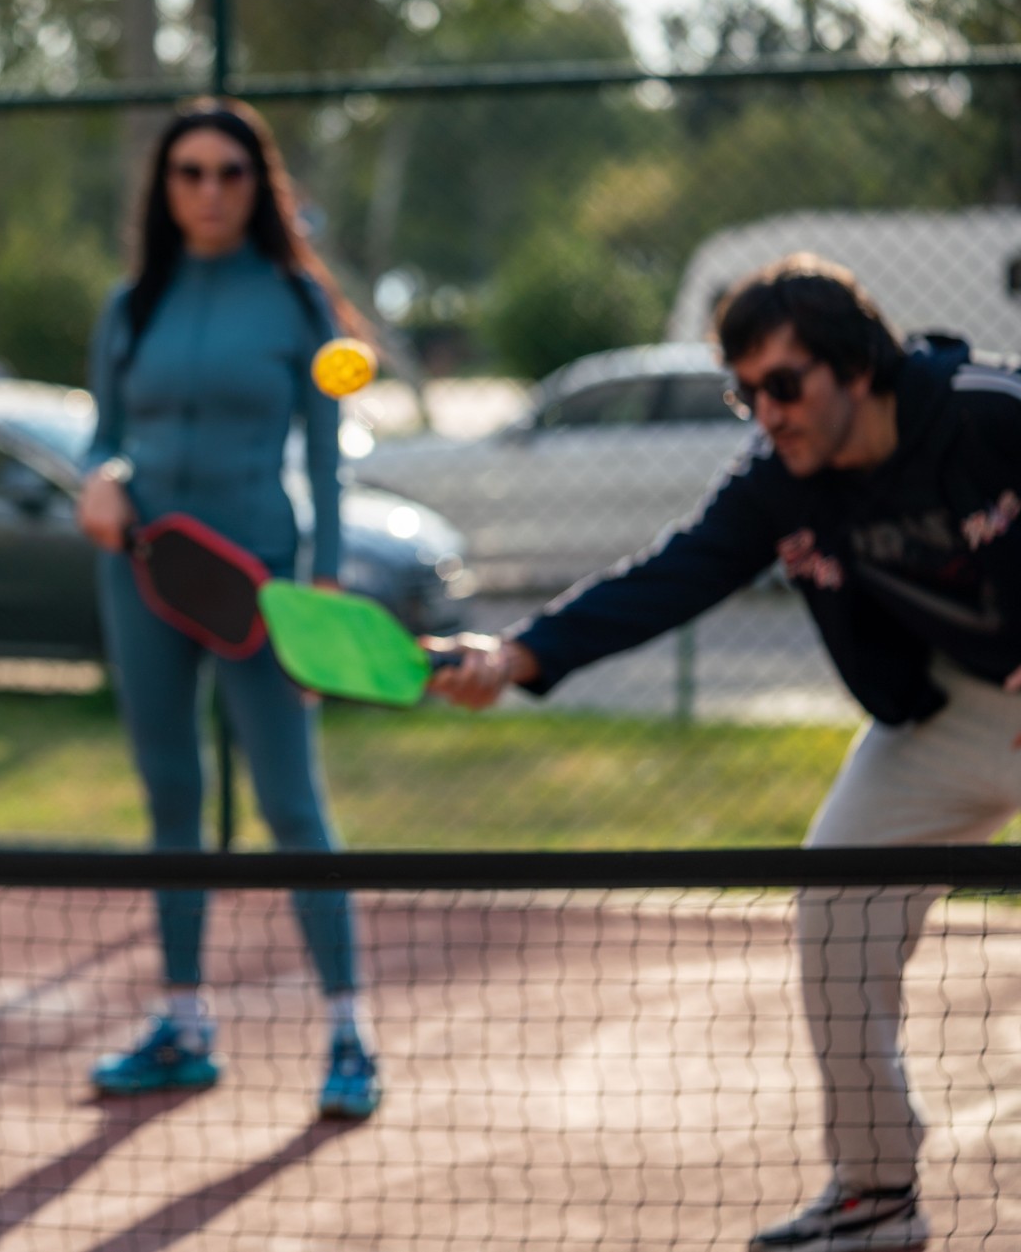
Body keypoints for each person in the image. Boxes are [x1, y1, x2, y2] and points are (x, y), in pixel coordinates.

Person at [429, 254, 1021, 1252]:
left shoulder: (989, 413)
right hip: (947, 716)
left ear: (858, 368)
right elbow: (670, 576)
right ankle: (876, 1194)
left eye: (784, 386)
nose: (766, 412)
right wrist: (520, 653)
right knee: (836, 904)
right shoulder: (774, 490)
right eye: (745, 392)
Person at [76, 98, 380, 1120]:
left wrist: (324, 587)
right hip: (144, 575)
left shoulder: (297, 303)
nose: (209, 191)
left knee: (294, 805)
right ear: (167, 190)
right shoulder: (134, 304)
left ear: (261, 185)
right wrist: (103, 479)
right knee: (173, 795)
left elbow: (329, 470)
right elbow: (103, 439)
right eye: (190, 174)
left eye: (230, 173)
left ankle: (348, 1033)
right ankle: (184, 1027)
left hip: (264, 585)